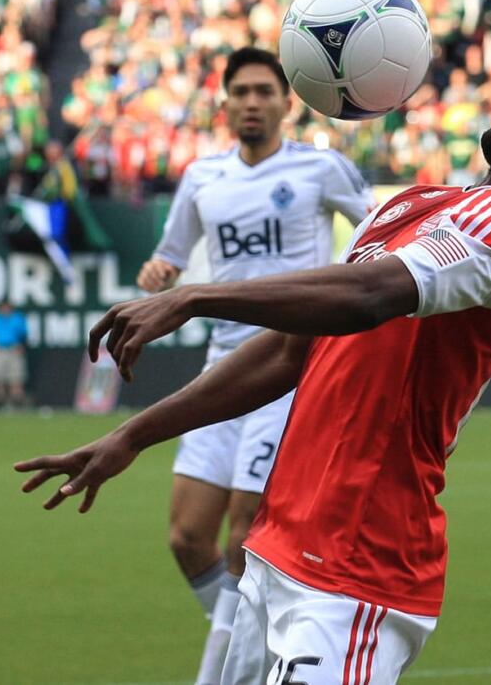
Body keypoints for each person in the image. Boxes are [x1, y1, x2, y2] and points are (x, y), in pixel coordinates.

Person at [16, 62, 491, 684]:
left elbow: (369, 294)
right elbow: (292, 351)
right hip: (277, 549)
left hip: (357, 569)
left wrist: (194, 295)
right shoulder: (413, 204)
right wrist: (134, 435)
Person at [132, 46, 376, 685]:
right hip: (220, 367)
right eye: (239, 91)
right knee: (188, 537)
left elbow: (379, 233)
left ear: (285, 101)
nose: (250, 102)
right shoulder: (202, 178)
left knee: (245, 534)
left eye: (263, 91)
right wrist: (159, 273)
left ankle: (224, 673)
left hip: (288, 369)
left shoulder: (321, 168)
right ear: (224, 104)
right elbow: (170, 257)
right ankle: (255, 642)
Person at [0, 300, 29, 409]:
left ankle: (17, 404)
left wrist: (22, 346)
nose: (5, 309)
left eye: (7, 307)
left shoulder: (17, 319)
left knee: (16, 378)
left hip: (13, 349)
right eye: (3, 307)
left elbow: (24, 334)